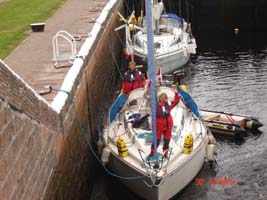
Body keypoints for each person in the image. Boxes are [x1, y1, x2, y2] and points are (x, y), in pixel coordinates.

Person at [150, 88, 179, 158]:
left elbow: (176, 102)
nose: (163, 99)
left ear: (166, 98)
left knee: (167, 141)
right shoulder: (155, 106)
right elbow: (152, 115)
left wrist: (176, 94)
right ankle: (153, 152)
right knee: (156, 140)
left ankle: (165, 153)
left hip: (168, 126)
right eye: (162, 97)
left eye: (164, 97)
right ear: (159, 98)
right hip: (159, 126)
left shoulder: (168, 106)